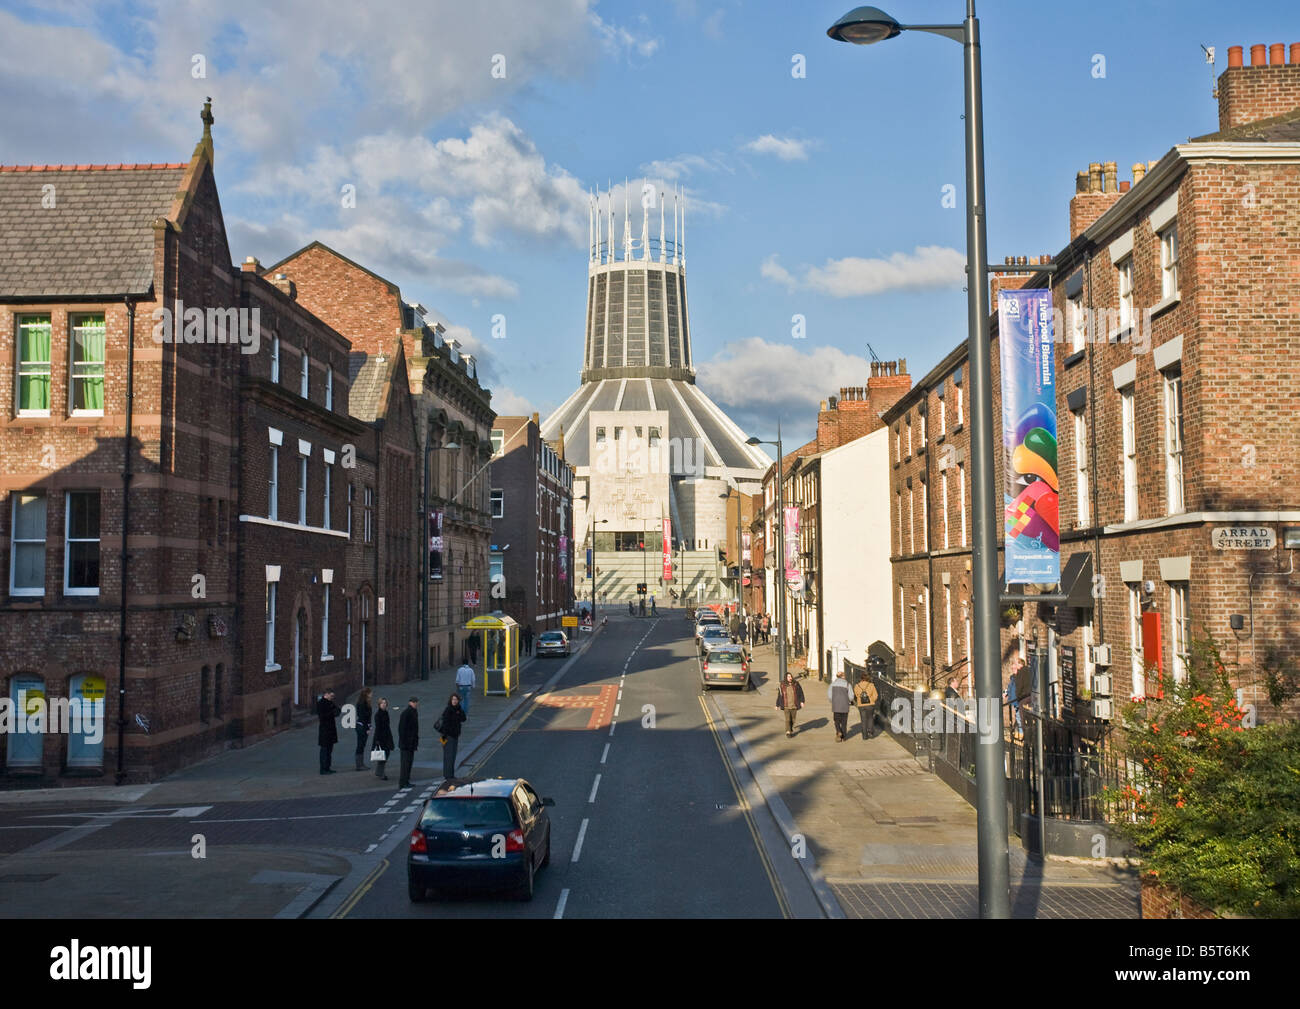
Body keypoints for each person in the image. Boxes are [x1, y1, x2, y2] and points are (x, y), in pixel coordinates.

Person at [436, 692, 468, 781]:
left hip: (455, 736)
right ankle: (448, 775)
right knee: (448, 756)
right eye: (453, 699)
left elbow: (464, 719)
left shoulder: (458, 709)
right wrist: (443, 738)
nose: (454, 701)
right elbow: (445, 725)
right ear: (450, 700)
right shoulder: (448, 710)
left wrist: (459, 710)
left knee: (453, 756)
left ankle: (451, 774)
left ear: (458, 701)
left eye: (456, 700)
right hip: (447, 736)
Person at [775, 671, 805, 738]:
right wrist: (777, 705)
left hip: (794, 705)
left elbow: (801, 693)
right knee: (787, 719)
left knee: (793, 719)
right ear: (786, 678)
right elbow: (779, 696)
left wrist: (802, 701)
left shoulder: (796, 684)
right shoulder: (782, 685)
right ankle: (788, 732)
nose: (790, 678)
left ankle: (790, 729)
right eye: (788, 677)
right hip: (786, 705)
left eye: (791, 676)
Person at [398, 697, 419, 788]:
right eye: (413, 702)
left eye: (416, 702)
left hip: (410, 743)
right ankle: (403, 782)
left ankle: (406, 781)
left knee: (408, 763)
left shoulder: (413, 712)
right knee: (405, 764)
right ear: (410, 702)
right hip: (406, 744)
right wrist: (406, 741)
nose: (415, 704)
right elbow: (401, 729)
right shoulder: (407, 713)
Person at [317, 688, 339, 774]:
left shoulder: (330, 702)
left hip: (331, 729)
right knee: (324, 750)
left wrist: (333, 712)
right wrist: (332, 712)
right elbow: (323, 716)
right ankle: (323, 769)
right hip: (324, 730)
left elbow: (337, 711)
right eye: (331, 695)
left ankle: (327, 767)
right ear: (326, 694)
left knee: (330, 750)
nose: (332, 697)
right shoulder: (321, 703)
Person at [372, 697, 394, 780]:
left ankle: (379, 771)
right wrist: (377, 740)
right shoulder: (378, 715)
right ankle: (381, 773)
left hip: (387, 736)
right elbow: (378, 728)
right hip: (381, 738)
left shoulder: (386, 713)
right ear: (379, 704)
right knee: (383, 756)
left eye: (385, 703)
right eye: (382, 703)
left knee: (385, 755)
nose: (384, 704)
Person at [828, 669, 853, 742]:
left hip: (836, 705)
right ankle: (844, 737)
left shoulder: (832, 684)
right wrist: (849, 701)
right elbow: (851, 696)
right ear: (843, 676)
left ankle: (838, 731)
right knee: (844, 722)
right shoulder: (848, 685)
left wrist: (832, 701)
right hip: (845, 706)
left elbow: (829, 695)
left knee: (836, 720)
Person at [854, 673, 879, 741]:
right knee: (870, 718)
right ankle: (870, 732)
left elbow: (856, 694)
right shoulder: (871, 685)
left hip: (861, 705)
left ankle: (864, 736)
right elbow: (876, 695)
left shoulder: (857, 686)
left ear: (861, 678)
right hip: (870, 705)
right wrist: (872, 700)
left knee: (863, 720)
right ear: (868, 678)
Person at [354, 687, 373, 771]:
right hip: (362, 726)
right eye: (370, 693)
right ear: (367, 694)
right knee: (361, 745)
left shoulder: (364, 702)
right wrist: (367, 728)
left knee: (361, 745)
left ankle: (360, 764)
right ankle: (359, 765)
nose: (372, 694)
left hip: (362, 725)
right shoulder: (363, 703)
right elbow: (363, 717)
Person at [1006, 661, 1024, 739]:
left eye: (1015, 667)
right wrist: (1006, 693)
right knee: (1017, 716)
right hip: (1015, 700)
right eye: (1012, 667)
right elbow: (1010, 687)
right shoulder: (1013, 677)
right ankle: (1019, 732)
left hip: (1020, 700)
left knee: (1019, 717)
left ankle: (1021, 733)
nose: (1013, 668)